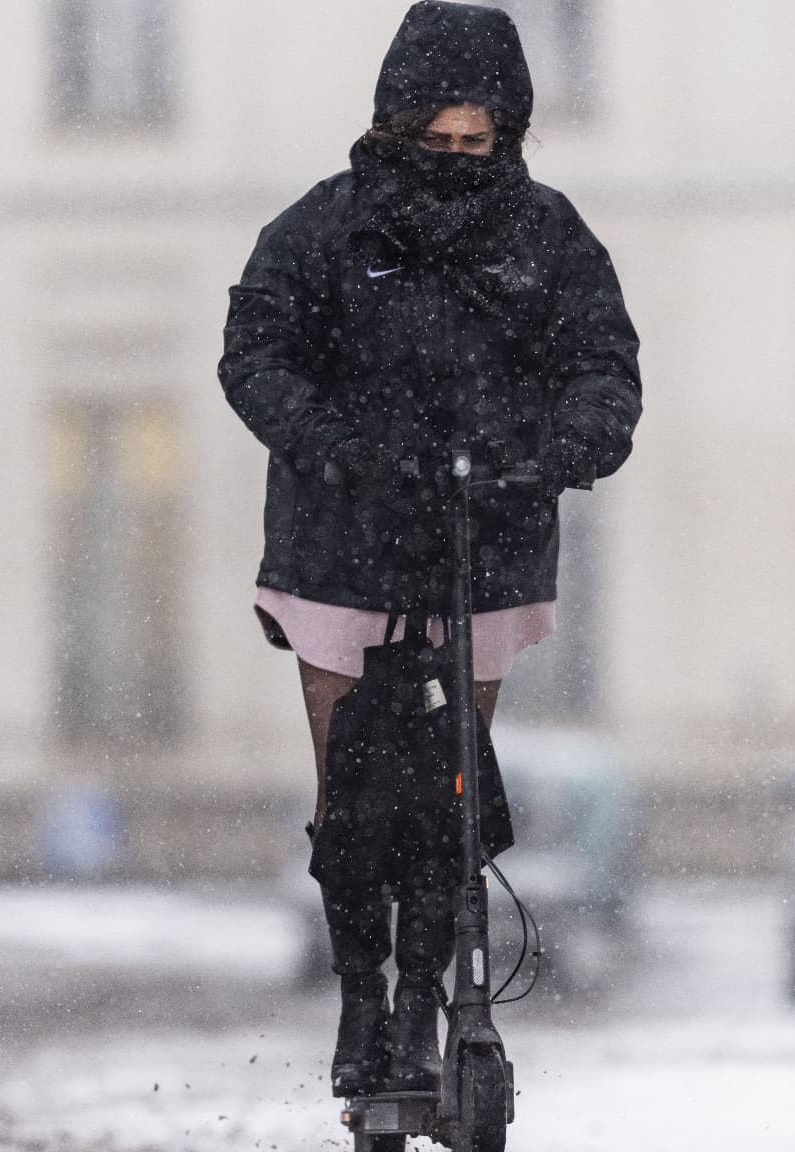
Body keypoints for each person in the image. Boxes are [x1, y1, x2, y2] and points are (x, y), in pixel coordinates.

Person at [219, 0, 640, 1098]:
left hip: (481, 550)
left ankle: (422, 995)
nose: (454, 162)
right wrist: (335, 448)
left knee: (452, 797)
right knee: (349, 796)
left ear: (506, 134)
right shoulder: (323, 232)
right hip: (338, 552)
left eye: (476, 144)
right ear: (394, 126)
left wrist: (555, 452)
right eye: (433, 142)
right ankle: (361, 995)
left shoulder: (545, 238)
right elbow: (255, 353)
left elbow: (602, 367)